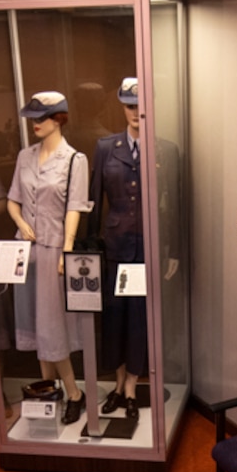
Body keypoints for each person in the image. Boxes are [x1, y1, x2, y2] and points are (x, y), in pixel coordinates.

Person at [6, 91, 92, 424]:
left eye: (41, 119)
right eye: (32, 119)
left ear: (59, 119)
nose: (35, 125)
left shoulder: (74, 160)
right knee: (35, 323)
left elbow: (75, 207)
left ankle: (74, 392)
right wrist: (20, 222)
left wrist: (67, 250)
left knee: (53, 327)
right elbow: (13, 199)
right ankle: (50, 389)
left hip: (55, 250)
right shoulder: (25, 157)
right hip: (26, 252)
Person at [92, 78, 148, 418]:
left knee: (139, 319)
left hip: (145, 249)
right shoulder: (105, 147)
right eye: (130, 106)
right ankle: (116, 384)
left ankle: (132, 387)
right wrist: (89, 248)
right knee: (113, 318)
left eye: (141, 107)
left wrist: (168, 252)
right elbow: (95, 199)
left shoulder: (162, 148)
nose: (136, 113)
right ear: (122, 107)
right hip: (114, 247)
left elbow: (171, 204)